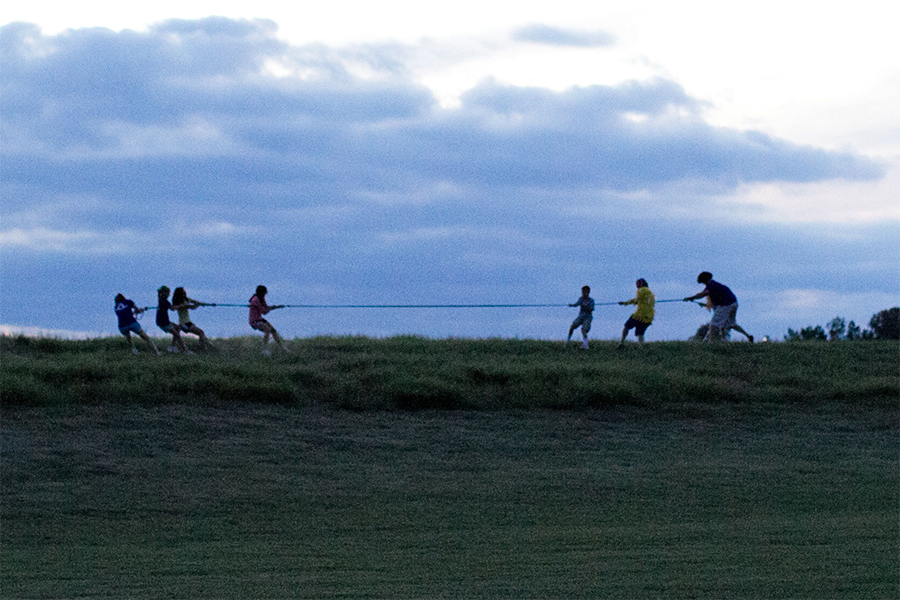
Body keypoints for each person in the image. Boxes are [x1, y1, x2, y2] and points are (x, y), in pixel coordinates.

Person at [683, 272, 753, 342]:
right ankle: (748, 336)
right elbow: (715, 301)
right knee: (731, 323)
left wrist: (691, 298)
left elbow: (702, 294)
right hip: (733, 303)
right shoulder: (715, 285)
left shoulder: (711, 286)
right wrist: (703, 304)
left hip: (726, 305)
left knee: (714, 324)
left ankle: (711, 343)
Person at [249, 285, 287, 354]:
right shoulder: (255, 300)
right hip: (254, 321)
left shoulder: (262, 298)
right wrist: (271, 308)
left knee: (273, 331)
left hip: (260, 319)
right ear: (260, 293)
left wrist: (276, 307)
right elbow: (264, 312)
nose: (265, 295)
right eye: (264, 293)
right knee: (267, 330)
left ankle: (282, 347)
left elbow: (266, 307)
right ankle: (264, 349)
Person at [618, 278, 655, 347]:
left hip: (640, 314)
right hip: (649, 316)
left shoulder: (641, 290)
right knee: (640, 332)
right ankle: (641, 346)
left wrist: (624, 303)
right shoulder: (650, 292)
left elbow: (636, 300)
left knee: (626, 326)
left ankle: (622, 342)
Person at [155, 286, 187, 354]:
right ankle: (184, 349)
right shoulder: (163, 300)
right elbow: (172, 308)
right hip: (163, 322)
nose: (169, 294)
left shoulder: (162, 300)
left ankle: (173, 347)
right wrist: (181, 305)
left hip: (165, 321)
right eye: (168, 293)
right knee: (176, 335)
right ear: (165, 293)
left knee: (178, 328)